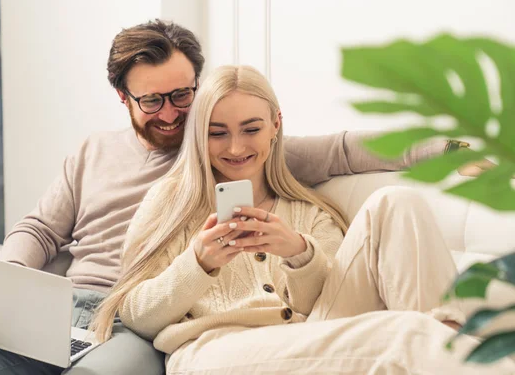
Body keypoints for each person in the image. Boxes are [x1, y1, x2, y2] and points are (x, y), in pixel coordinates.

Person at [0, 20, 453, 375]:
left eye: (183, 96)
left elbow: (345, 150)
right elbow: (41, 230)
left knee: (397, 210)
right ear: (124, 98)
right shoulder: (112, 162)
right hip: (90, 303)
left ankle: (447, 338)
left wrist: (447, 145)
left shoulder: (255, 154)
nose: (172, 114)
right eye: (153, 100)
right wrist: (12, 282)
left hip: (155, 326)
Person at [90, 65, 515, 374]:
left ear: (276, 126)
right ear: (199, 134)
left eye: (251, 129)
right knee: (405, 334)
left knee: (396, 201)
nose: (235, 147)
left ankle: (448, 342)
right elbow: (137, 315)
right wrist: (197, 263)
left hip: (307, 339)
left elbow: (324, 313)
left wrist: (299, 254)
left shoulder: (307, 212)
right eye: (217, 132)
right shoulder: (170, 204)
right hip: (217, 354)